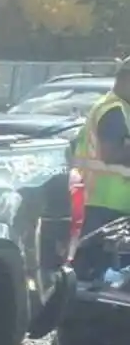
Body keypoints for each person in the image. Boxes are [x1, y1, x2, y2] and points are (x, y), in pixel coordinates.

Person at [72, 59, 130, 274]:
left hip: (111, 206)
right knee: (93, 272)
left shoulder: (122, 108)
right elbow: (111, 153)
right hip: (102, 206)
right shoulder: (113, 110)